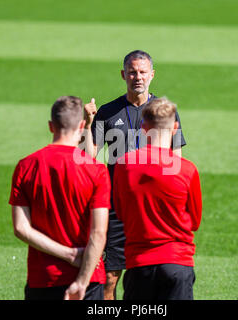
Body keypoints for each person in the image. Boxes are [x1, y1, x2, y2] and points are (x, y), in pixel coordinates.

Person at [82, 50, 187, 299]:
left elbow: (176, 162)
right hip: (116, 206)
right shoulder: (107, 112)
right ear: (123, 75)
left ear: (152, 75)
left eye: (142, 72)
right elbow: (87, 157)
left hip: (153, 206)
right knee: (110, 276)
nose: (137, 77)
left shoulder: (165, 112)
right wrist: (88, 123)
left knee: (151, 273)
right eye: (132, 72)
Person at [9, 96, 110, 300]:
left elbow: (21, 228)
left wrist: (68, 254)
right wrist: (81, 281)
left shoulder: (26, 166)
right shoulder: (96, 170)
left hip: (43, 278)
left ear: (50, 126)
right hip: (89, 278)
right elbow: (98, 233)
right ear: (82, 125)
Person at [113, 97, 202, 300]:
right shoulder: (187, 169)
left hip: (139, 264)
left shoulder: (123, 165)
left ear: (143, 128)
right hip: (177, 263)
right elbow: (194, 222)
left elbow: (120, 211)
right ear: (175, 128)